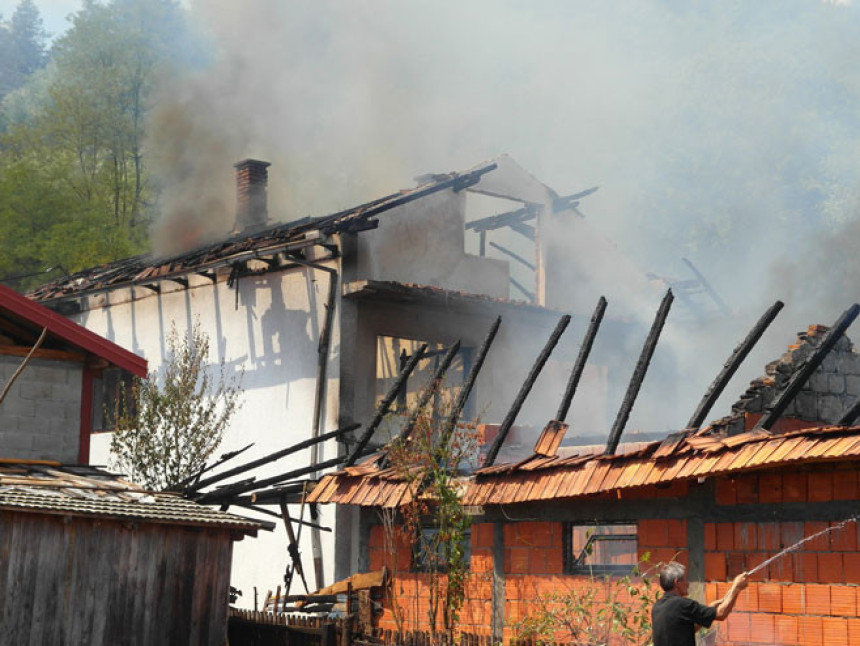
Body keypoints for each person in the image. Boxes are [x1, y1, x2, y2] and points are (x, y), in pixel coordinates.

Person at [652, 561, 749, 646]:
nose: (688, 583)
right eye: (685, 579)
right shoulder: (683, 604)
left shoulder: (657, 607)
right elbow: (721, 614)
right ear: (677, 582)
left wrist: (708, 610)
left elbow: (684, 632)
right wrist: (736, 587)